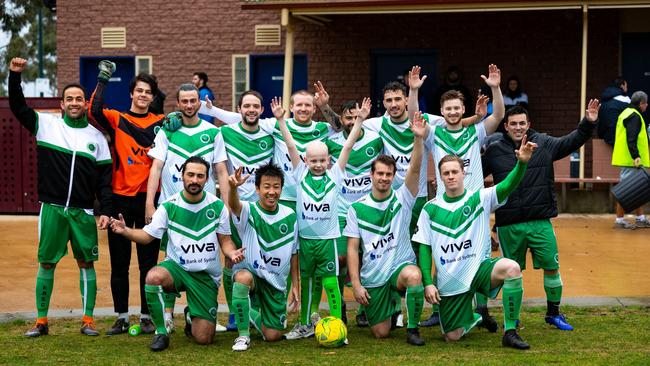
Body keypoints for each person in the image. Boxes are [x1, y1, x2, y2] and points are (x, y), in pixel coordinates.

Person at [8, 57, 112, 337]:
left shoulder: (97, 138)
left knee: (86, 263)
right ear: (62, 104)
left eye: (79, 98)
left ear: (84, 103)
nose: (75, 103)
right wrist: (15, 75)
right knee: (47, 262)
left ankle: (88, 320)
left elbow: (105, 180)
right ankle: (41, 321)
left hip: (83, 212)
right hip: (52, 209)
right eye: (70, 99)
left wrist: (106, 210)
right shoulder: (47, 125)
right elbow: (18, 107)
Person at [482, 100, 601, 331]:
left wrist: (589, 122)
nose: (518, 127)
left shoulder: (544, 143)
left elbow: (572, 141)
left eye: (522, 123)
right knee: (511, 273)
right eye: (513, 124)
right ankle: (513, 318)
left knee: (552, 267)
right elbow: (475, 174)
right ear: (505, 126)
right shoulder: (495, 151)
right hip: (509, 224)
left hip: (540, 221)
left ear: (529, 125)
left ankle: (553, 313)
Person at [110, 156, 244, 351]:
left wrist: (231, 254)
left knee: (204, 338)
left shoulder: (217, 207)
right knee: (153, 276)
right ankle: (161, 333)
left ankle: (191, 317)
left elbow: (225, 241)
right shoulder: (168, 205)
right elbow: (147, 236)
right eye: (190, 175)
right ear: (182, 176)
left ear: (207, 180)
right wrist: (126, 231)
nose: (195, 180)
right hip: (177, 269)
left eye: (200, 176)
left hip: (205, 277)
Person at [413, 140, 537, 349]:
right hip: (450, 282)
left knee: (512, 268)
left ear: (464, 173)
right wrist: (427, 281)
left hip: (479, 270)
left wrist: (522, 164)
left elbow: (507, 186)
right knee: (452, 337)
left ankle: (510, 331)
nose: (450, 176)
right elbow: (424, 247)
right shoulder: (429, 209)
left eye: (454, 171)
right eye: (446, 173)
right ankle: (474, 317)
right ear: (440, 177)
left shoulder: (479, 198)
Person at [408, 64, 504, 330]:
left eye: (457, 108)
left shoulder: (476, 132)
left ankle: (482, 310)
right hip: (445, 206)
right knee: (444, 256)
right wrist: (414, 91)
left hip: (474, 206)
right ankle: (442, 308)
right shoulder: (434, 134)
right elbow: (414, 119)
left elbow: (497, 115)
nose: (452, 112)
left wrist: (495, 87)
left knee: (480, 256)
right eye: (448, 108)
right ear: (442, 112)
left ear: (464, 110)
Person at [88, 61, 166, 335]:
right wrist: (103, 79)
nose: (143, 95)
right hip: (121, 199)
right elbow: (92, 110)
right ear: (131, 94)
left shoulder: (162, 123)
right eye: (139, 91)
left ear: (153, 97)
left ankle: (147, 316)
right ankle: (121, 317)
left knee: (148, 264)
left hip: (149, 201)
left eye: (148, 92)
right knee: (119, 263)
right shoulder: (117, 118)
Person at [280, 96, 368, 339]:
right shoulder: (299, 174)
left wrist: (359, 121)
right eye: (313, 161)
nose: (318, 164)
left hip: (328, 240)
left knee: (331, 283)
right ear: (305, 161)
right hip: (305, 241)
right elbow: (290, 147)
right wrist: (281, 121)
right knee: (307, 283)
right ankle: (305, 323)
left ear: (329, 160)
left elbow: (348, 146)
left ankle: (338, 324)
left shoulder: (335, 175)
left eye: (322, 160)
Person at [145, 83, 230, 332]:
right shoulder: (167, 131)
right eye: (185, 101)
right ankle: (168, 315)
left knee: (206, 258)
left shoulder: (214, 132)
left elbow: (221, 171)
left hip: (205, 210)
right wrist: (150, 203)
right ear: (178, 104)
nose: (190, 105)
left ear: (200, 102)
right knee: (171, 258)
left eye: (194, 100)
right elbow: (156, 168)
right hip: (173, 208)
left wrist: (225, 204)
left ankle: (197, 311)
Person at [344, 111, 429, 346]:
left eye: (388, 174)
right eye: (379, 173)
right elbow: (352, 249)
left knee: (413, 276)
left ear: (393, 176)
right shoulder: (357, 208)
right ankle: (392, 305)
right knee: (381, 333)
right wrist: (357, 284)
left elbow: (414, 168)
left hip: (399, 266)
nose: (383, 178)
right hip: (374, 275)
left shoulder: (404, 197)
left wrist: (418, 139)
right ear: (371, 175)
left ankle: (413, 328)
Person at [324, 99, 385, 325]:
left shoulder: (376, 140)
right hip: (340, 210)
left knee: (368, 259)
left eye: (356, 117)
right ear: (341, 120)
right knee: (340, 259)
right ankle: (339, 306)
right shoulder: (330, 142)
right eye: (348, 117)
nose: (352, 121)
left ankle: (364, 309)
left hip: (367, 209)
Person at [227, 163, 300, 351]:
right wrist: (234, 188)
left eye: (276, 187)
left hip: (276, 283)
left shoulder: (290, 215)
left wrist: (295, 286)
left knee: (273, 336)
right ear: (257, 188)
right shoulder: (249, 210)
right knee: (242, 278)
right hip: (253, 276)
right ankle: (243, 336)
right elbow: (234, 206)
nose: (272, 192)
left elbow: (293, 253)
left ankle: (249, 312)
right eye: (266, 186)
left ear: (282, 189)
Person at [218, 89, 275, 330]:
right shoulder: (224, 132)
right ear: (239, 109)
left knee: (262, 257)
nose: (251, 110)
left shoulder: (270, 133)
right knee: (232, 258)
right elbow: (220, 169)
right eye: (246, 106)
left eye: (255, 106)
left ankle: (259, 309)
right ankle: (234, 313)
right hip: (234, 206)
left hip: (261, 208)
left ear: (262, 111)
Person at [611, 91, 650, 229]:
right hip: (631, 160)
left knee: (637, 189)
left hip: (629, 159)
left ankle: (640, 217)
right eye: (646, 103)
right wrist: (636, 156)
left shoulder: (626, 113)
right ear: (641, 104)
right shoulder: (634, 116)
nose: (646, 106)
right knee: (627, 191)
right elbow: (631, 138)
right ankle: (619, 220)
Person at [598, 78, 630, 146]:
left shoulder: (604, 99)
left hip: (604, 137)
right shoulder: (625, 100)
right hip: (619, 139)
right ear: (622, 86)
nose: (627, 88)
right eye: (626, 86)